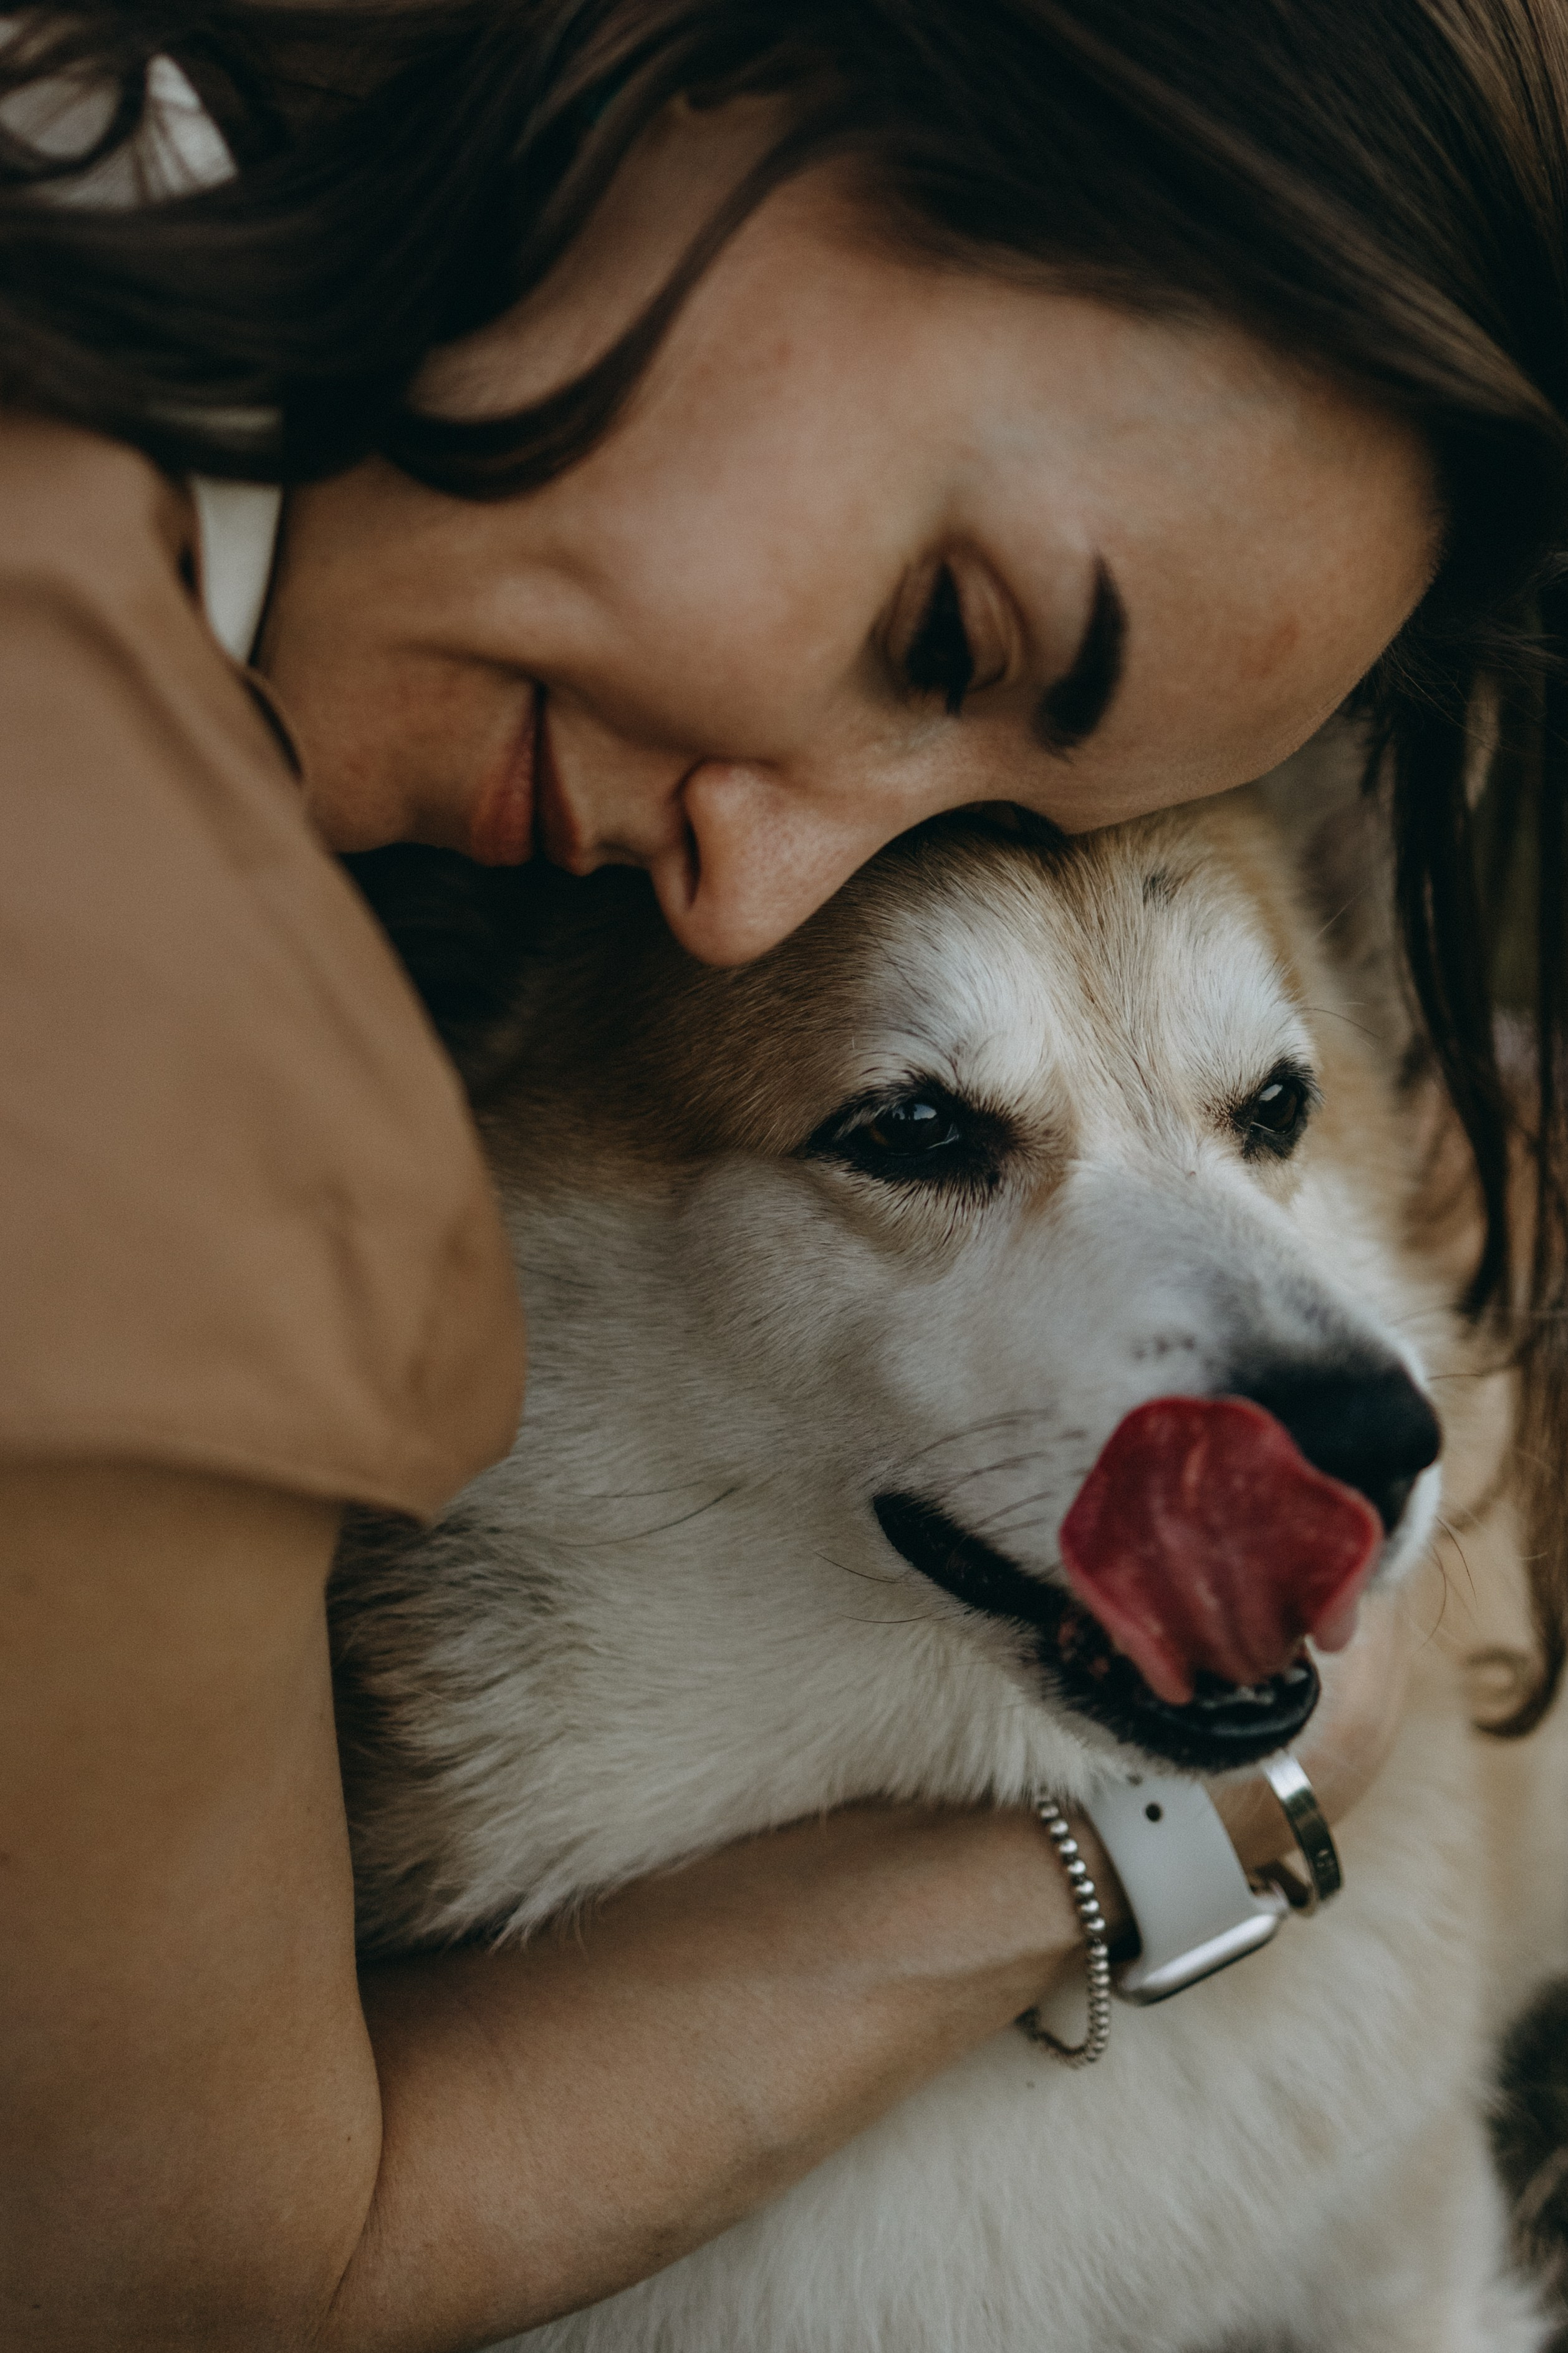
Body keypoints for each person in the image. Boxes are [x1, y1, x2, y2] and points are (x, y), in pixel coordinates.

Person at [3, 4, 1566, 2346]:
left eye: (1267, 1115)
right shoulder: (143, 1025)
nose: (740, 891)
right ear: (714, 60)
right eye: (941, 629)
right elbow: (197, 2265)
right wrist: (1198, 1829)